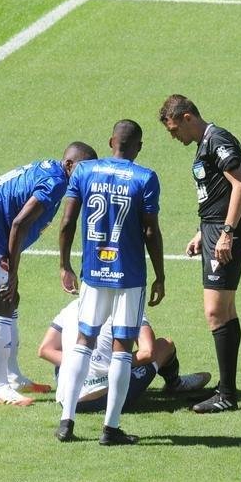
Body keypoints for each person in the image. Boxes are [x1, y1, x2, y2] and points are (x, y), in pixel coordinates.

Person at [0, 142, 97, 406]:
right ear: (69, 165)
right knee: (3, 303)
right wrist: (12, 270)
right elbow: (19, 223)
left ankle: (13, 376)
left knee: (11, 300)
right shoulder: (55, 183)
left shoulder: (55, 173)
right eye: (83, 169)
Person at [55, 120, 165, 446]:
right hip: (128, 275)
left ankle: (66, 421)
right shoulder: (145, 178)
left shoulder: (84, 171)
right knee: (122, 347)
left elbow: (67, 222)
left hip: (93, 272)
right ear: (138, 147)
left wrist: (64, 264)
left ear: (110, 141)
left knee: (83, 341)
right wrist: (160, 274)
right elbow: (150, 231)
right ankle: (110, 427)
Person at [158, 94, 241, 413]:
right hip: (213, 229)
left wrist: (227, 232)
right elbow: (216, 193)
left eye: (174, 130)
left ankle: (226, 396)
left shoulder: (217, 140)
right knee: (225, 311)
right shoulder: (204, 144)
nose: (174, 137)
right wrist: (203, 231)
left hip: (224, 233)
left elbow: (240, 186)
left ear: (187, 118)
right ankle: (227, 389)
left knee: (215, 312)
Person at [37, 298, 211, 422]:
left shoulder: (73, 305)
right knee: (165, 345)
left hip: (67, 400)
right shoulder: (129, 302)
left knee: (68, 353)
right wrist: (114, 365)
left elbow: (45, 350)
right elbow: (148, 352)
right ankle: (175, 384)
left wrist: (84, 363)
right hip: (101, 398)